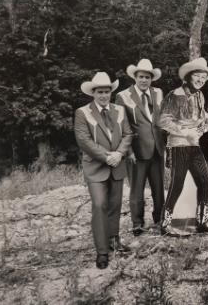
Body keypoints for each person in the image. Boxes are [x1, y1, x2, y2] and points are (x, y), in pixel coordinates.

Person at [74, 72, 133, 269]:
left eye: (107, 91)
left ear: (111, 92)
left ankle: (114, 241)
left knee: (115, 205)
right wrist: (107, 156)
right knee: (100, 205)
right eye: (100, 92)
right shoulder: (83, 112)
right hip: (96, 167)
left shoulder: (120, 110)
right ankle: (102, 252)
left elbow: (128, 134)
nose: (104, 95)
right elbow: (84, 141)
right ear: (93, 93)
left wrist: (120, 154)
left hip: (117, 165)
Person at [157, 57, 208, 236]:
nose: (200, 80)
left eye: (203, 77)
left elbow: (198, 116)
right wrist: (185, 132)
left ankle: (202, 220)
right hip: (178, 145)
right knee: (177, 183)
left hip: (194, 144)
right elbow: (163, 121)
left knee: (205, 180)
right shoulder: (175, 95)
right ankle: (165, 223)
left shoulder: (199, 95)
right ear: (189, 76)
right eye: (197, 76)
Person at [116, 59, 166, 237]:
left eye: (147, 77)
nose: (144, 80)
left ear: (152, 78)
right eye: (141, 77)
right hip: (136, 151)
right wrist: (128, 151)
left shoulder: (158, 93)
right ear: (135, 77)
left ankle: (160, 220)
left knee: (159, 188)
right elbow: (122, 126)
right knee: (137, 188)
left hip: (158, 149)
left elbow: (162, 120)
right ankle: (137, 223)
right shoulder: (124, 96)